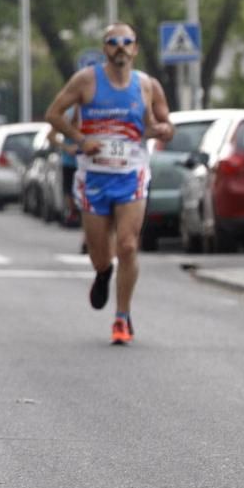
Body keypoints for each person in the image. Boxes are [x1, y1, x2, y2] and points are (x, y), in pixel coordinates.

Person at [46, 23, 174, 344]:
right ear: (104, 48)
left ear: (135, 48)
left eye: (126, 42)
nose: (120, 47)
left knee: (128, 245)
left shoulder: (147, 85)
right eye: (113, 42)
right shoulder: (86, 81)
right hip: (94, 175)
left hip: (131, 172)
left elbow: (164, 122)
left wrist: (163, 130)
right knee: (100, 253)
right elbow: (53, 114)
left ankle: (122, 317)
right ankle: (103, 273)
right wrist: (80, 138)